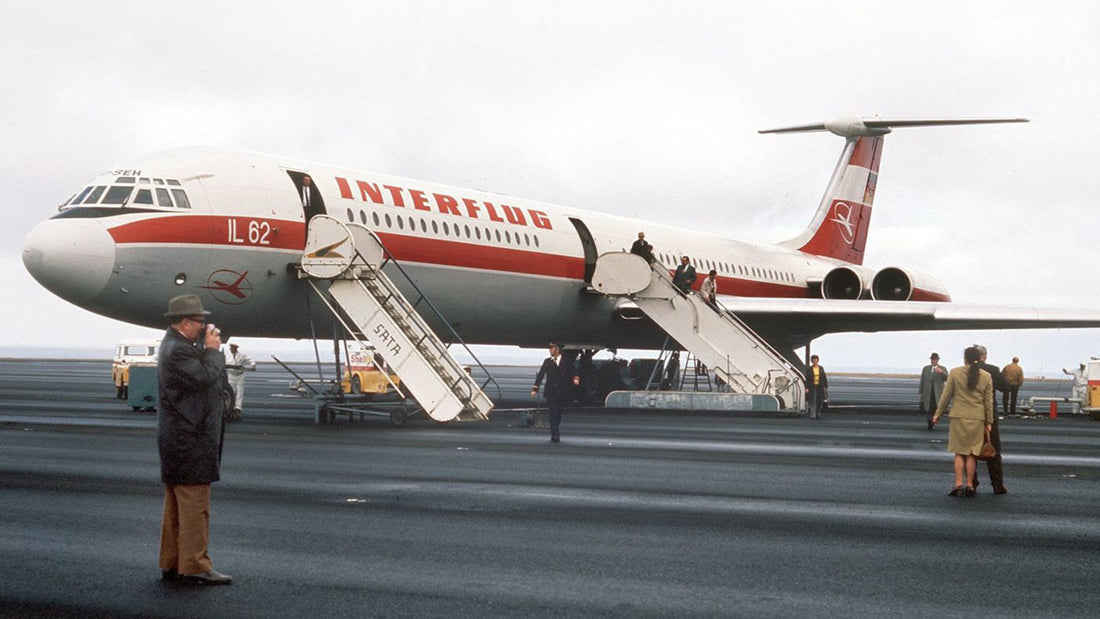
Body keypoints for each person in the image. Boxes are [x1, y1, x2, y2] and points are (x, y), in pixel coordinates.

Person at [156, 294, 233, 585]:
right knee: (194, 505)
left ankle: (173, 562)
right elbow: (203, 377)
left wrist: (205, 349)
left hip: (178, 439)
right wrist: (213, 351)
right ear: (186, 322)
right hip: (189, 439)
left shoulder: (175, 346)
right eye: (200, 321)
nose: (203, 327)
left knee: (176, 506)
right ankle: (196, 565)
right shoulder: (178, 351)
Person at [931, 346, 994, 497]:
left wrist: (937, 413)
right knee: (972, 453)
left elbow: (946, 396)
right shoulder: (986, 376)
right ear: (979, 358)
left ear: (965, 358)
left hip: (958, 416)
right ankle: (970, 484)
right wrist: (989, 421)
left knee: (959, 452)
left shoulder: (955, 372)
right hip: (977, 418)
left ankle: (958, 483)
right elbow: (988, 401)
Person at [973, 344, 1008, 494]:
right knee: (993, 449)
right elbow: (1006, 387)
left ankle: (971, 483)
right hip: (989, 414)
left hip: (972, 413)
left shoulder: (966, 370)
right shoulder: (993, 370)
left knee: (970, 450)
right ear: (985, 356)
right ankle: (997, 485)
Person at [531, 342, 580, 443]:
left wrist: (576, 379)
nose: (550, 350)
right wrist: (535, 389)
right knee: (553, 413)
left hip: (562, 391)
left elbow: (573, 372)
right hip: (551, 391)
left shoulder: (566, 361)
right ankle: (555, 434)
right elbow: (540, 375)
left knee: (558, 413)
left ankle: (555, 428)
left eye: (552, 348)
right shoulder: (547, 362)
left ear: (557, 350)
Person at [225, 343, 255, 420]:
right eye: (230, 348)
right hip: (231, 376)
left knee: (239, 393)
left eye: (231, 348)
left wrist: (253, 365)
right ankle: (231, 407)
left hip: (240, 376)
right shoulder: (228, 356)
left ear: (235, 348)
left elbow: (250, 360)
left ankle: (238, 409)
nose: (230, 349)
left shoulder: (241, 355)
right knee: (231, 393)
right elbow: (225, 364)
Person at [920, 352, 948, 430]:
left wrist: (942, 372)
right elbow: (922, 380)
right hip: (928, 392)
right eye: (932, 359)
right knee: (928, 408)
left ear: (937, 360)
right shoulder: (926, 368)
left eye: (934, 359)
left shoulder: (943, 368)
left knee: (936, 408)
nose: (933, 361)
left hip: (937, 393)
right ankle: (930, 423)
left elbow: (947, 378)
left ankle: (933, 422)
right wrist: (921, 392)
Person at [804, 354, 828, 419]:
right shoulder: (809, 369)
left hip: (820, 386)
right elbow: (807, 379)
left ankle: (818, 414)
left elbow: (824, 377)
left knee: (819, 401)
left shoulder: (821, 368)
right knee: (813, 401)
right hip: (812, 386)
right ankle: (813, 415)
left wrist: (825, 386)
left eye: (816, 360)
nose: (815, 362)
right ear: (812, 361)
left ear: (818, 361)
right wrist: (806, 388)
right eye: (813, 360)